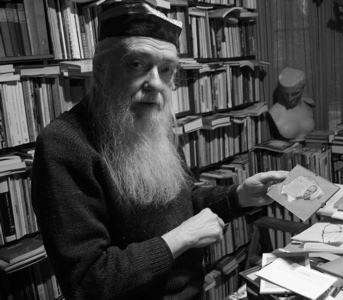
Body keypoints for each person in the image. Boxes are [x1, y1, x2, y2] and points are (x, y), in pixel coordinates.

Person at [30, 2, 288, 299]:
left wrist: (238, 197)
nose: (155, 83)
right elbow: (88, 280)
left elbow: (178, 202)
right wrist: (183, 237)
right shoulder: (63, 144)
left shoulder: (149, 120)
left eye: (166, 70)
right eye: (137, 64)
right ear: (101, 71)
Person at [266, 67, 315, 141]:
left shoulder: (308, 105)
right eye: (286, 94)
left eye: (295, 94)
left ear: (302, 88)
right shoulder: (273, 112)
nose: (290, 99)